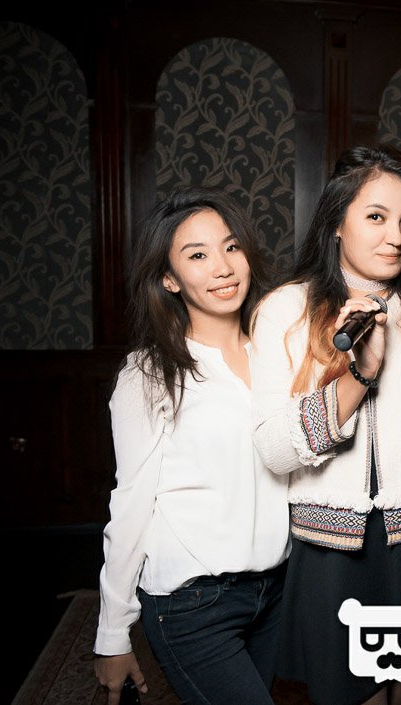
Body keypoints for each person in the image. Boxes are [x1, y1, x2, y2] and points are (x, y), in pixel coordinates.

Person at [250, 144, 401, 705]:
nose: (396, 237)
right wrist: (359, 375)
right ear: (337, 222)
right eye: (376, 217)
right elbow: (274, 450)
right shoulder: (285, 312)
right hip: (330, 555)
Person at [93, 188, 287, 705]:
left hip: (273, 592)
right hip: (192, 602)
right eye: (197, 255)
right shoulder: (150, 372)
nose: (222, 268)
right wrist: (112, 634)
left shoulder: (280, 354)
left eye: (231, 247)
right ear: (169, 279)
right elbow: (130, 504)